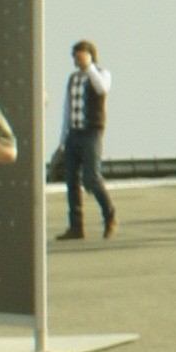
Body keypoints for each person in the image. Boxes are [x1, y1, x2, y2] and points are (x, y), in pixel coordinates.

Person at [55, 39, 116, 240]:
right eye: (74, 56)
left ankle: (109, 215)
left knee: (92, 177)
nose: (76, 59)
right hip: (73, 133)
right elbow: (67, 108)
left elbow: (102, 89)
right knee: (71, 180)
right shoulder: (73, 79)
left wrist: (89, 67)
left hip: (92, 133)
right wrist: (62, 138)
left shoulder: (101, 74)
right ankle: (76, 226)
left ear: (91, 55)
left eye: (80, 55)